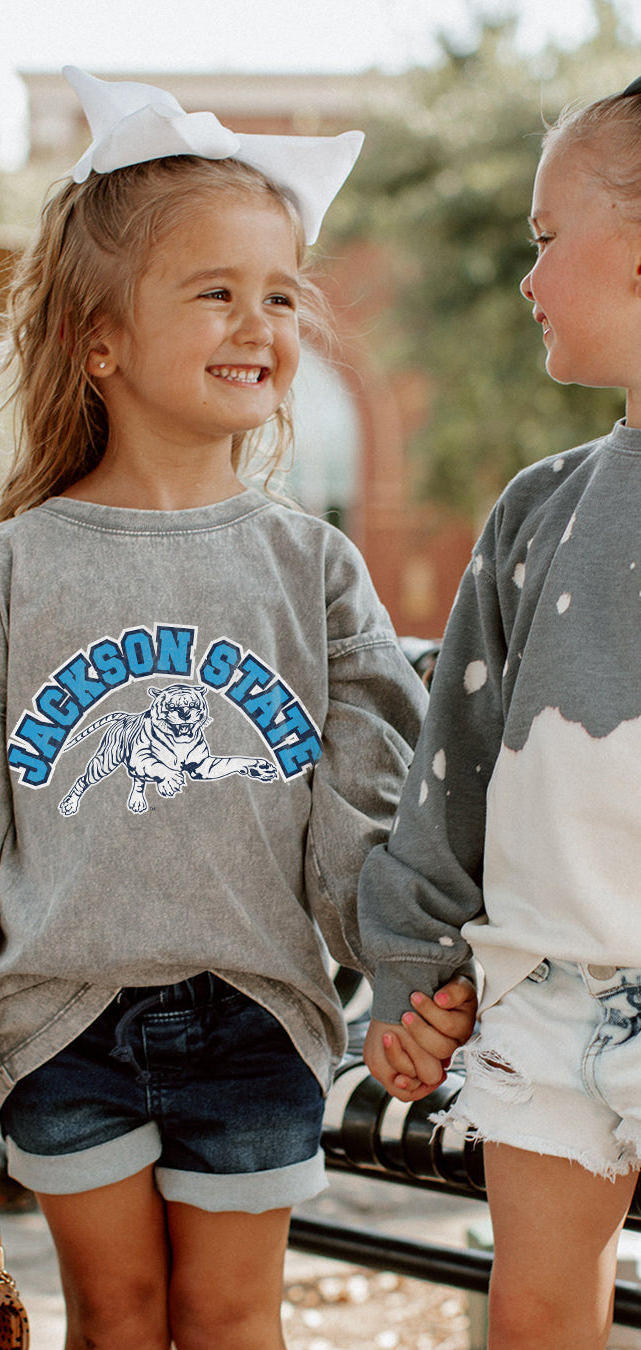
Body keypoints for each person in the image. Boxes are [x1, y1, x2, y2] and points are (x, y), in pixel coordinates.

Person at [0, 68, 470, 1350]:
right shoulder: (16, 568)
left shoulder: (313, 570)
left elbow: (368, 815)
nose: (259, 323)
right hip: (60, 1021)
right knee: (117, 1317)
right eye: (215, 292)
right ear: (99, 340)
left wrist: (408, 984)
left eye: (281, 295)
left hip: (261, 1017)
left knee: (233, 1318)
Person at [358, 77, 641, 1350]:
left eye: (546, 237)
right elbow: (454, 766)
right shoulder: (540, 509)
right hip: (541, 987)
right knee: (533, 1315)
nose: (527, 277)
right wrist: (410, 975)